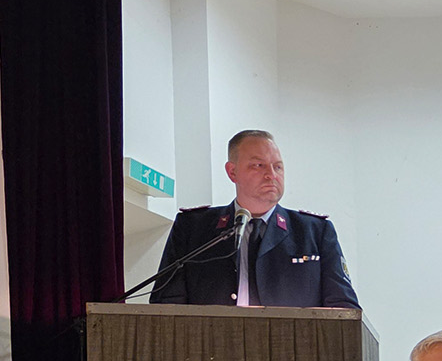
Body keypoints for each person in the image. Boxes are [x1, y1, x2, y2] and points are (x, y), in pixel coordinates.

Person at [153, 130, 359, 309]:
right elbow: (167, 306)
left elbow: (343, 308)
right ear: (232, 172)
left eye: (278, 167)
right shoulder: (193, 228)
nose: (271, 175)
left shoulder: (314, 232)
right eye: (258, 165)